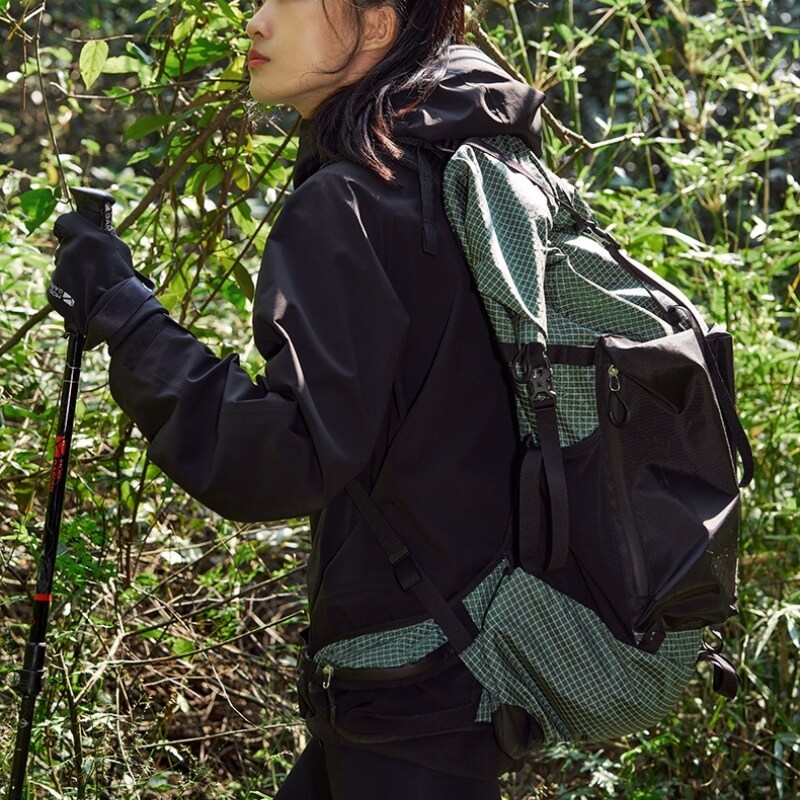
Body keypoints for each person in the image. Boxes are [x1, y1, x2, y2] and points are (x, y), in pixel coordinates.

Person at [48, 1, 546, 797]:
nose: (256, 21)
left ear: (375, 27)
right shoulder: (474, 168)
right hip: (467, 656)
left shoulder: (355, 197)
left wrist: (126, 316)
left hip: (411, 685)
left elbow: (285, 457)